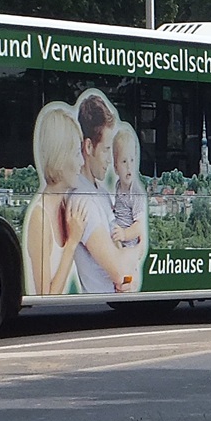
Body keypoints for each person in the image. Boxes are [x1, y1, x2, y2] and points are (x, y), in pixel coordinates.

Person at [70, 90, 143, 293]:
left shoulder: (100, 193)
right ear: (89, 147)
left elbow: (127, 274)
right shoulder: (82, 201)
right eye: (106, 150)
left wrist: (130, 275)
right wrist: (138, 250)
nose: (110, 160)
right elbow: (121, 274)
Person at [24, 104, 88, 295]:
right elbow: (46, 295)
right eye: (77, 153)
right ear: (60, 157)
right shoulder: (40, 218)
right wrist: (72, 244)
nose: (82, 162)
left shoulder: (65, 208)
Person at [110, 122, 147, 252]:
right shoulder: (118, 186)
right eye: (124, 161)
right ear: (115, 168)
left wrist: (125, 235)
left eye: (132, 160)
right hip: (119, 237)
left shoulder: (135, 192)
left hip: (129, 245)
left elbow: (139, 226)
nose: (128, 166)